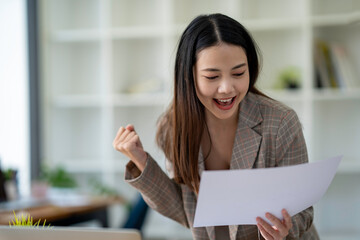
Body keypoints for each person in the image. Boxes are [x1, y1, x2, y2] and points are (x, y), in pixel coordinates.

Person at [113, 13, 319, 240]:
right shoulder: (174, 128)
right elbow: (186, 212)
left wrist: (285, 228)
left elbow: (302, 211)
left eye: (239, 73)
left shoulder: (281, 122)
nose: (227, 88)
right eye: (212, 76)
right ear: (189, 76)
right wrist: (141, 160)